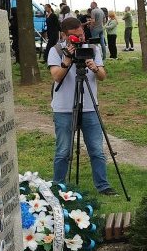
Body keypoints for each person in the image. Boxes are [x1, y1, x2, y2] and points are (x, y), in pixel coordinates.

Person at [48, 17, 117, 196]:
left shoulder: (92, 49)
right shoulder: (56, 50)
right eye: (75, 36)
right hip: (64, 108)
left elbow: (102, 76)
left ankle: (103, 185)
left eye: (81, 35)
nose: (80, 39)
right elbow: (56, 76)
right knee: (63, 150)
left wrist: (95, 68)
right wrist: (67, 60)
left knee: (96, 149)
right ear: (64, 35)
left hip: (89, 106)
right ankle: (58, 186)